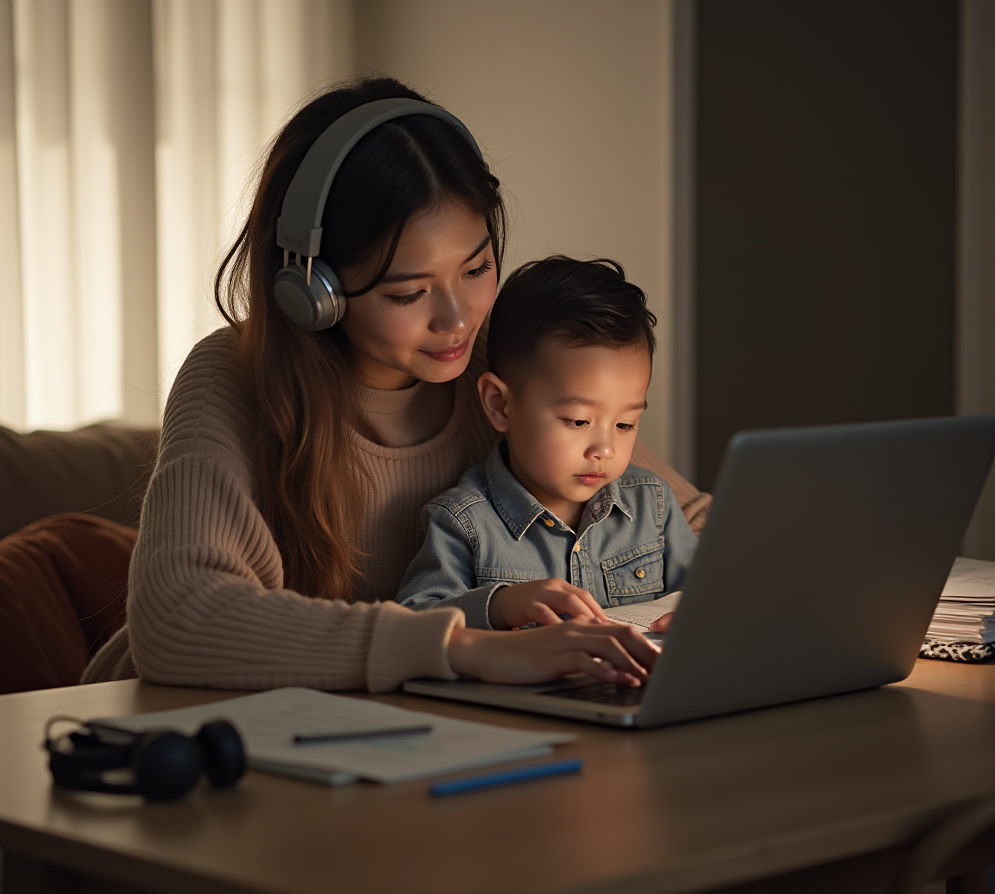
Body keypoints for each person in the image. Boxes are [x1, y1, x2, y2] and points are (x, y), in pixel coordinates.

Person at [81, 75, 710, 693]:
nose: (458, 318)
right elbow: (181, 620)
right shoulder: (232, 375)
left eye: (477, 268)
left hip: (398, 728)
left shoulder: (501, 360)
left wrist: (712, 598)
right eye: (409, 292)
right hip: (176, 731)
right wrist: (465, 648)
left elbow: (689, 519)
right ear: (312, 291)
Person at [396, 256, 696, 632]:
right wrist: (499, 606)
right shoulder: (464, 523)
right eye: (578, 421)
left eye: (625, 423)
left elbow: (711, 592)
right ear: (500, 404)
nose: (604, 448)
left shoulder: (652, 504)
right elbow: (410, 625)